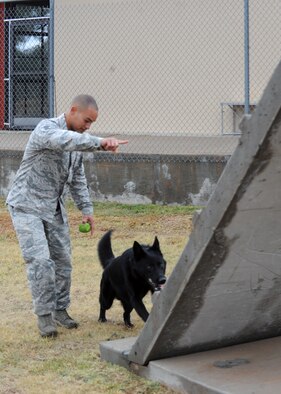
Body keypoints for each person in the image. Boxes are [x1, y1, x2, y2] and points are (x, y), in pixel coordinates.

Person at [6, 94, 128, 338]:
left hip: (54, 208)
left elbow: (78, 177)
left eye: (92, 123)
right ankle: (45, 317)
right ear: (73, 110)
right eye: (86, 120)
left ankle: (61, 310)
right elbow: (64, 140)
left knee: (63, 262)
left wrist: (86, 210)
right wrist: (100, 142)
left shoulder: (78, 142)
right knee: (40, 261)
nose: (88, 126)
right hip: (26, 205)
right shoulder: (47, 128)